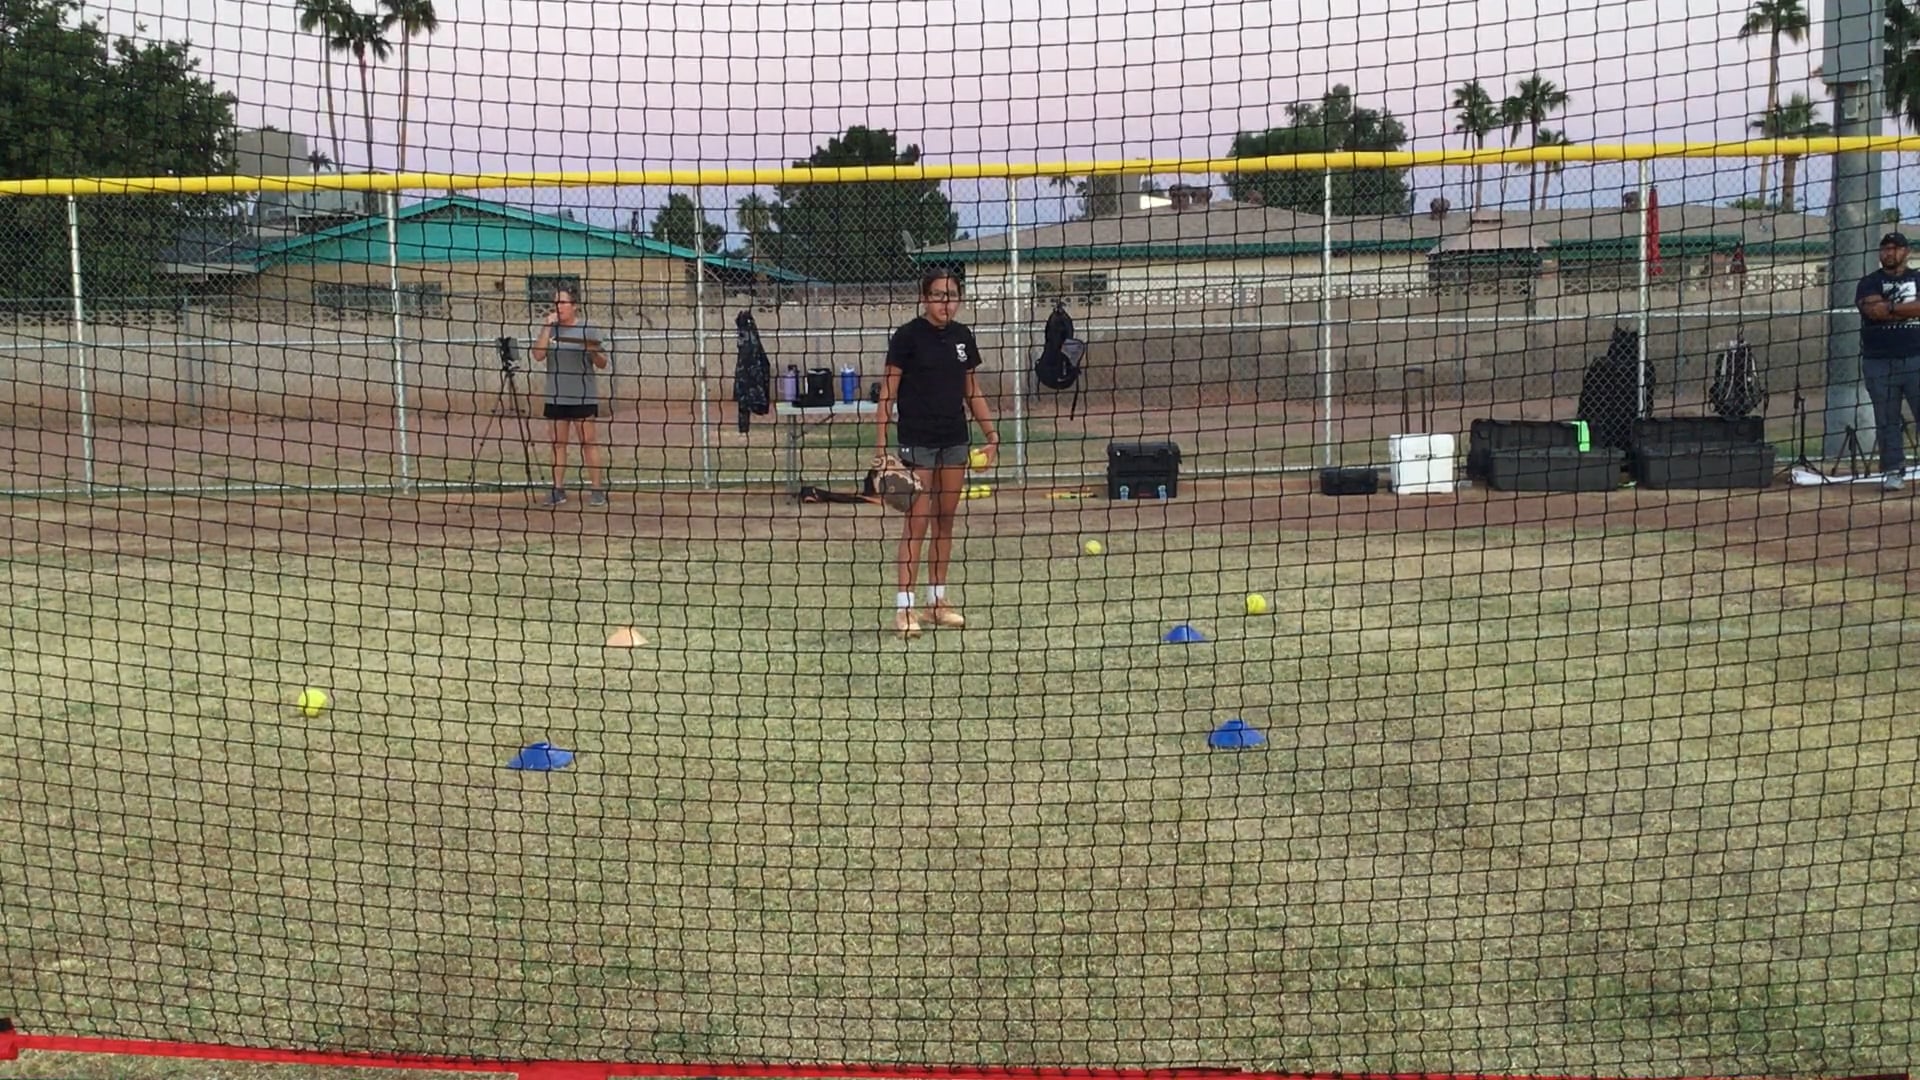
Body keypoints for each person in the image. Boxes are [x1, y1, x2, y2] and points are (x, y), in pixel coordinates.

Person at [874, 269, 1000, 638]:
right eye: (938, 295)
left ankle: (936, 603)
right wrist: (881, 447)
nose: (946, 302)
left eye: (952, 295)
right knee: (917, 522)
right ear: (925, 298)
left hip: (954, 441)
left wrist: (991, 435)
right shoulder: (907, 337)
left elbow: (972, 390)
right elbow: (888, 393)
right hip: (918, 442)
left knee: (945, 520)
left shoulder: (963, 337)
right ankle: (905, 609)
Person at [530, 286, 611, 506]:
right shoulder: (551, 330)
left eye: (563, 302)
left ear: (574, 306)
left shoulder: (588, 328)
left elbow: (602, 363)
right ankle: (558, 490)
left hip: (583, 396)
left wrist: (592, 349)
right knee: (558, 444)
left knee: (588, 442)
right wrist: (547, 327)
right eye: (556, 303)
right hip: (556, 396)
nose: (559, 307)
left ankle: (597, 490)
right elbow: (538, 355)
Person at [1855, 231, 1920, 491]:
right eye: (1885, 248)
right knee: (1886, 419)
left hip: (1916, 357)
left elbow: (1885, 309)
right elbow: (1873, 310)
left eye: (1895, 248)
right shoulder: (1869, 282)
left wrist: (1890, 308)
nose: (1889, 253)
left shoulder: (1917, 278)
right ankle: (1894, 470)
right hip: (1879, 361)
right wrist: (1907, 309)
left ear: (1906, 252)